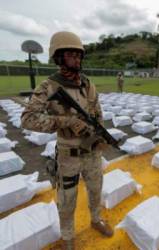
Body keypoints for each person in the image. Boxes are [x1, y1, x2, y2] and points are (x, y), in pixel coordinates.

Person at [21, 31, 113, 250]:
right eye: (71, 55)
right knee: (67, 200)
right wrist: (65, 122)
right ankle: (68, 237)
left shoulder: (89, 85)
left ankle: (96, 219)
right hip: (68, 157)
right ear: (59, 57)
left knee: (95, 190)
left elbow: (98, 114)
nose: (77, 59)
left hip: (91, 152)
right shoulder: (48, 87)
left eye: (79, 55)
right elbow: (27, 119)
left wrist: (99, 134)